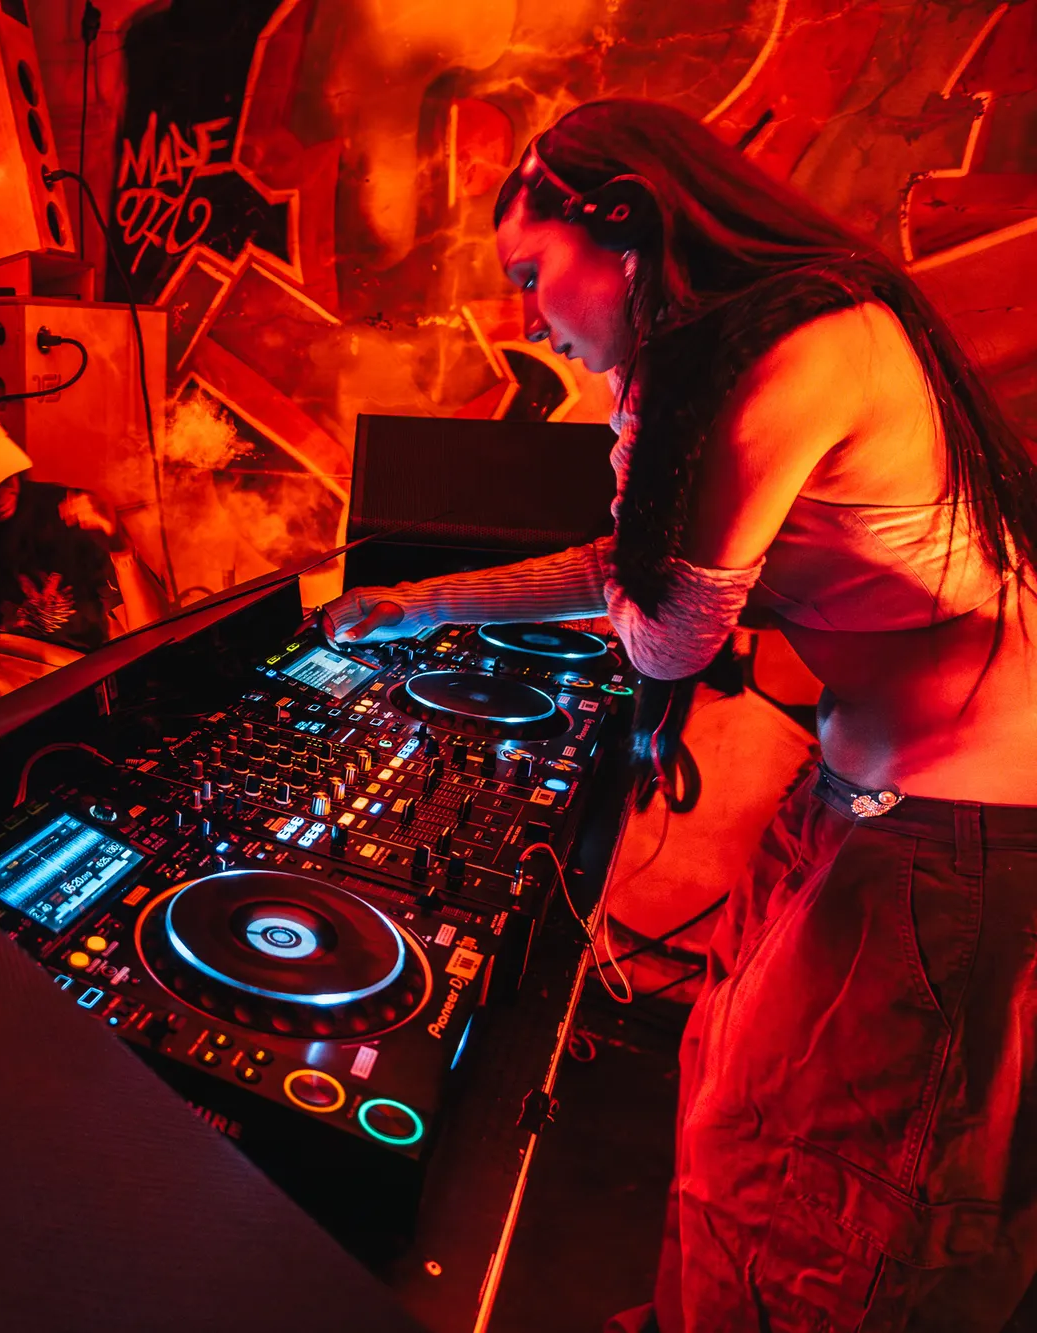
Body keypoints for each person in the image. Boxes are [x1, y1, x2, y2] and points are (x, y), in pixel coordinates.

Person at [322, 99, 1037, 1332]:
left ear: (624, 225)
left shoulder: (796, 348)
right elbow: (634, 571)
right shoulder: (763, 340)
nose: (526, 318)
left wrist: (636, 436)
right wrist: (415, 604)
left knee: (813, 1187)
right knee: (729, 1096)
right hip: (874, 796)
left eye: (529, 274)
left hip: (953, 836)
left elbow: (667, 632)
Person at [0, 396, 167, 723]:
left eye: (2, 472)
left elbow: (155, 640)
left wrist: (120, 548)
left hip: (81, 699)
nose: (0, 491)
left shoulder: (65, 515)